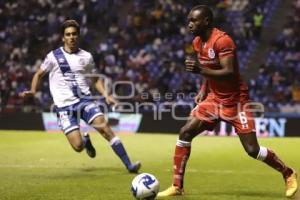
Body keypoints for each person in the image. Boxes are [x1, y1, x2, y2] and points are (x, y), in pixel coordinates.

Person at [158, 5, 297, 198]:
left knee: (252, 150)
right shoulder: (198, 42)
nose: (189, 24)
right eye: (189, 20)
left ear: (206, 21)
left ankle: (288, 172)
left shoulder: (223, 41)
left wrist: (200, 71)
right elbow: (209, 68)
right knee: (185, 132)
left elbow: (228, 72)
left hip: (236, 102)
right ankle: (177, 186)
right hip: (214, 100)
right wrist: (203, 90)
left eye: (193, 20)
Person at [20, 20, 141, 173]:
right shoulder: (53, 56)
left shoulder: (86, 56)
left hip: (85, 101)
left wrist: (106, 95)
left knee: (106, 129)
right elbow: (38, 74)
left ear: (78, 36)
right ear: (63, 37)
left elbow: (95, 78)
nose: (71, 37)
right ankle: (86, 142)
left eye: (74, 34)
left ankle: (129, 165)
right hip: (64, 107)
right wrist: (32, 90)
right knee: (78, 146)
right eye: (68, 34)